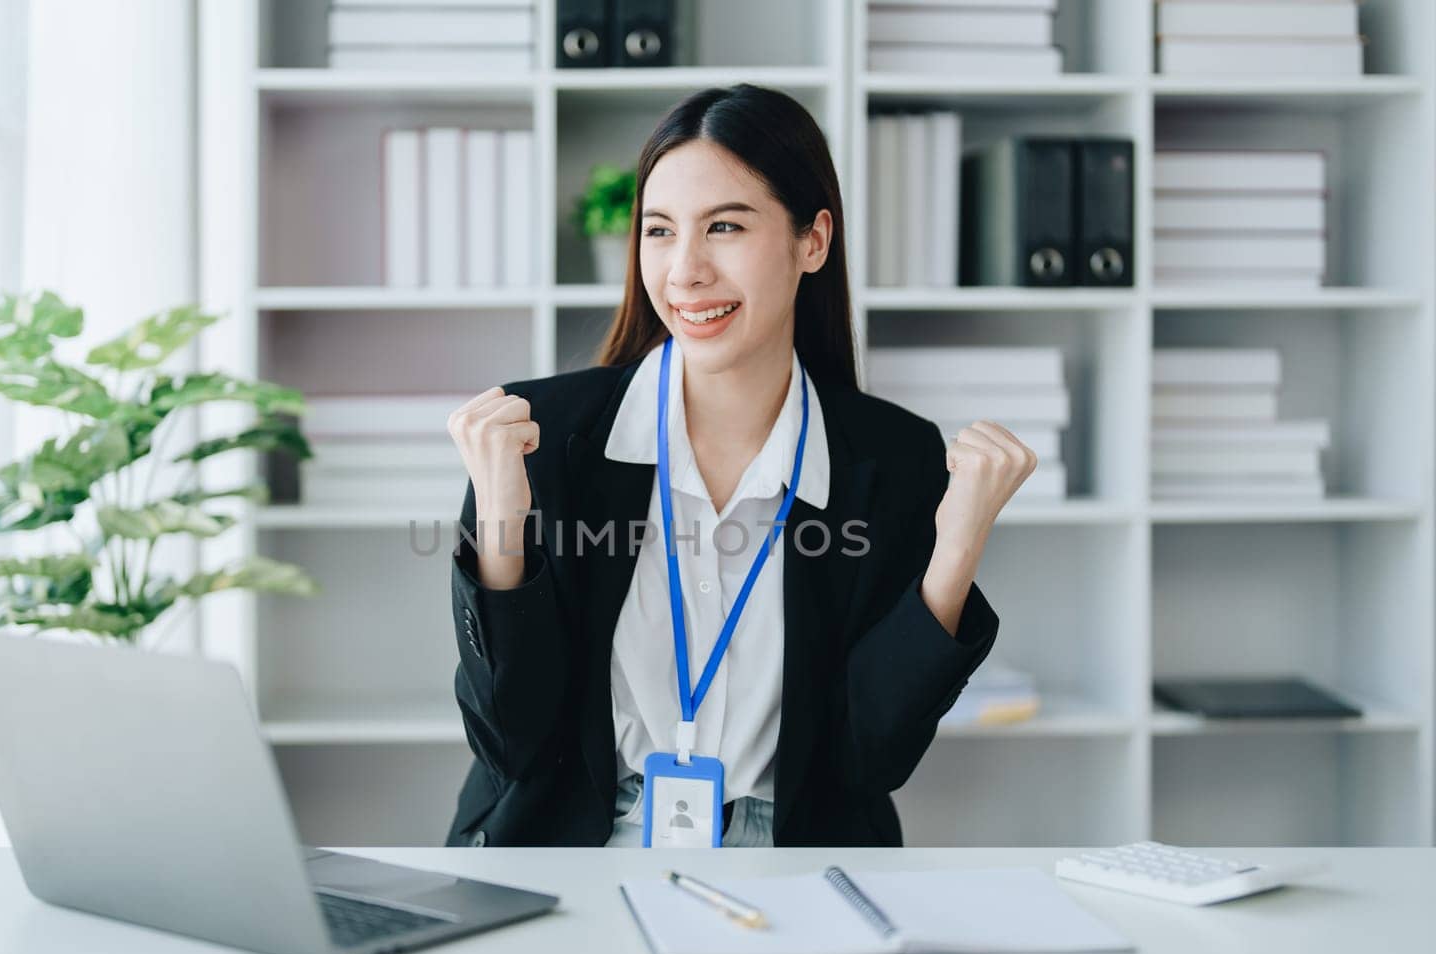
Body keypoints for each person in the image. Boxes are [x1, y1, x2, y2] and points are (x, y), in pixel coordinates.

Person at [444, 84, 1035, 848]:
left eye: (724, 226)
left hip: (789, 868)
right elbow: (510, 742)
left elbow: (871, 760)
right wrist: (501, 531)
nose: (685, 270)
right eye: (659, 231)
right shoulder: (537, 439)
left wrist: (953, 552)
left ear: (812, 241)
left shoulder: (891, 460)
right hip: (576, 855)